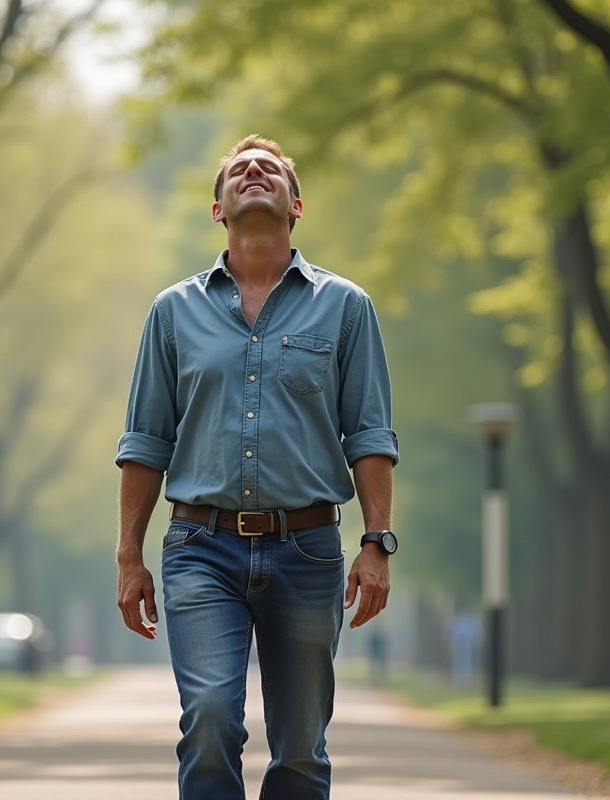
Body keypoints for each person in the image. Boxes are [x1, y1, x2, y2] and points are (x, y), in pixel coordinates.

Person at [115, 134, 400, 800]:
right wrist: (129, 556)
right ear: (217, 210)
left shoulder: (346, 307)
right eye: (237, 171)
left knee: (301, 748)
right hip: (199, 547)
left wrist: (377, 543)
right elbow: (145, 441)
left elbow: (369, 433)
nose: (251, 172)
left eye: (267, 168)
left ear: (294, 204)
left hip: (308, 549)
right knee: (210, 721)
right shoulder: (173, 312)